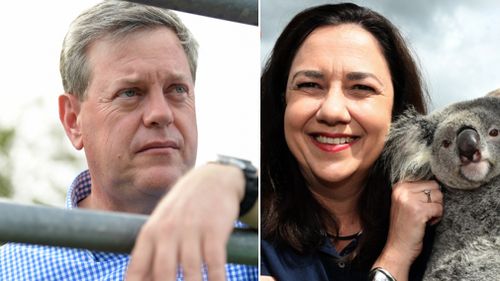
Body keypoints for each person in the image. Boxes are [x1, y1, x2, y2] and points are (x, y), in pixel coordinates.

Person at [0, 1, 257, 281]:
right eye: (130, 93)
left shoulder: (252, 236)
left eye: (177, 89)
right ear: (74, 121)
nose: (161, 113)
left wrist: (246, 185)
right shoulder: (10, 268)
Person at [260, 3, 442, 281]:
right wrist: (396, 258)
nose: (332, 111)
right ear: (282, 99)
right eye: (309, 84)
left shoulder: (448, 228)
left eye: (361, 88)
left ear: (397, 109)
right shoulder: (238, 234)